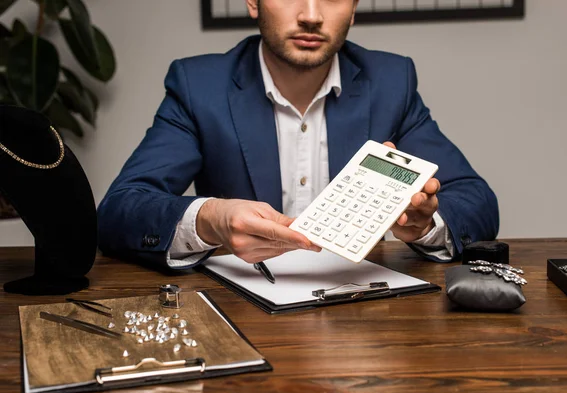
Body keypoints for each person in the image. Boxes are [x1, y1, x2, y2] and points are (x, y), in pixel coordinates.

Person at [97, 0, 499, 269]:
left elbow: (477, 201)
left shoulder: (391, 82)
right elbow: (120, 210)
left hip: (362, 319)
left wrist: (424, 225)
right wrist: (209, 218)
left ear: (354, 8)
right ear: (253, 1)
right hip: (246, 313)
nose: (310, 15)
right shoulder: (199, 86)